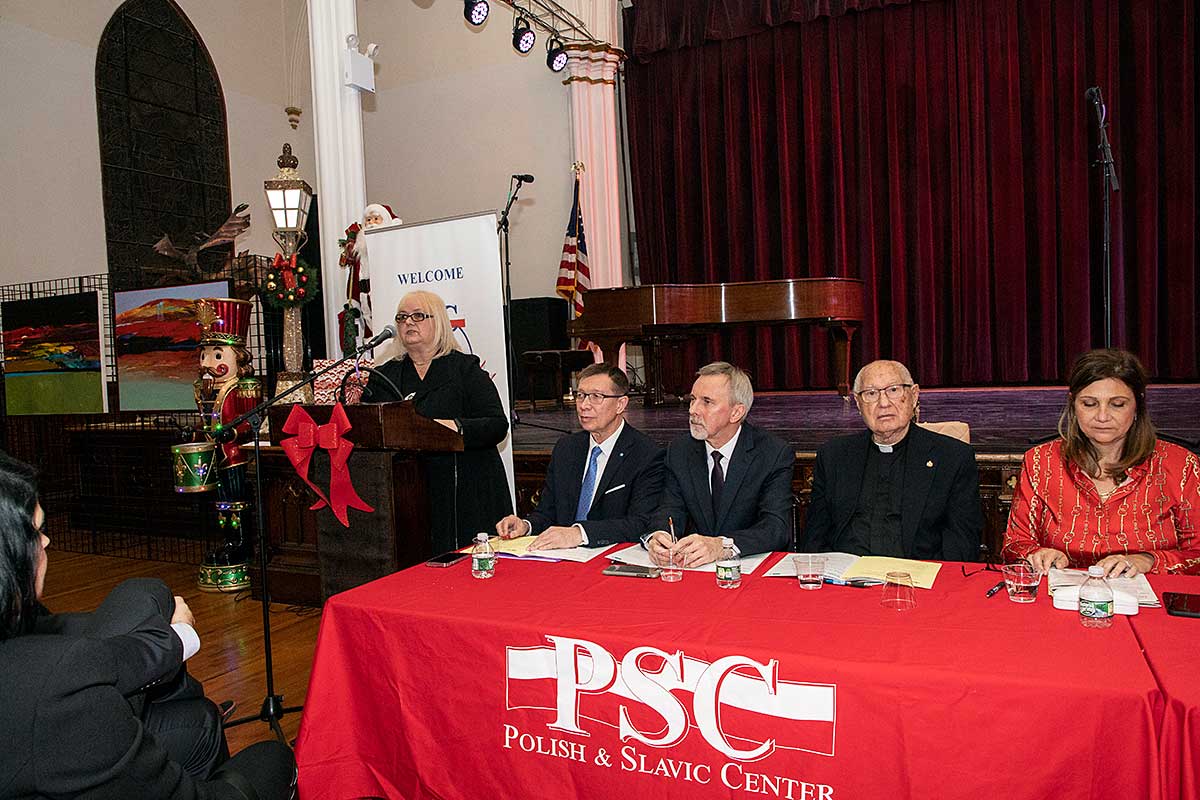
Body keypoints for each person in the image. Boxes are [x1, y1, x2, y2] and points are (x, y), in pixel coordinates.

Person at [0, 450, 297, 798]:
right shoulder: (57, 682)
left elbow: (82, 648)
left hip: (57, 735)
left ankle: (185, 695)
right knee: (274, 758)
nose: (47, 541)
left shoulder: (31, 642)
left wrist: (173, 641)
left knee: (199, 717)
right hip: (75, 741)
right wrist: (174, 640)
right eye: (36, 533)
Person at [1003, 349, 1200, 576]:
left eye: (1117, 404)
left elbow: (1196, 553)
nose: (1102, 416)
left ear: (1138, 404)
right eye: (1089, 404)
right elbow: (1014, 545)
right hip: (1061, 592)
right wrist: (1037, 554)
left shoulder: (1179, 464)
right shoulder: (1041, 461)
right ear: (1073, 405)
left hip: (1149, 593)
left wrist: (1148, 560)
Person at [361, 290, 513, 554]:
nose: (408, 322)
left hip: (466, 488)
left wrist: (453, 427)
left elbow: (497, 425)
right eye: (402, 317)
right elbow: (368, 426)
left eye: (418, 316)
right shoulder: (385, 375)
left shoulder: (465, 369)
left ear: (439, 321)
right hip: (408, 493)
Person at [801, 359, 983, 562]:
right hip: (844, 575)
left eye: (893, 390)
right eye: (871, 393)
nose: (883, 403)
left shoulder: (952, 458)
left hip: (917, 575)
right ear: (858, 404)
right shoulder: (834, 456)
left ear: (914, 395)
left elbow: (962, 545)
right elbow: (814, 539)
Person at [496, 364, 664, 550]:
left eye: (596, 397)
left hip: (608, 555)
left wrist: (580, 534)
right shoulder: (567, 448)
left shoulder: (646, 454)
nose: (584, 405)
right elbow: (547, 512)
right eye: (581, 395)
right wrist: (526, 526)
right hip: (561, 555)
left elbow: (640, 523)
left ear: (620, 404)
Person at [645, 362, 794, 568]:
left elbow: (775, 528)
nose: (693, 410)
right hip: (695, 569)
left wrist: (722, 546)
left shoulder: (773, 453)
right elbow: (669, 509)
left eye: (707, 402)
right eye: (692, 400)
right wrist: (659, 536)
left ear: (736, 413)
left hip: (749, 569)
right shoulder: (680, 451)